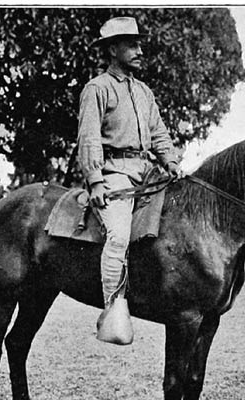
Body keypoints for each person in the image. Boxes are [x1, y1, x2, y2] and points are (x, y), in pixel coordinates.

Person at [77, 17, 182, 345]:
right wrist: (95, 181)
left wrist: (171, 161)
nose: (140, 51)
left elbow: (159, 133)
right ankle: (112, 310)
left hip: (148, 172)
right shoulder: (97, 88)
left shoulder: (143, 91)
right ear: (112, 49)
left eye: (139, 44)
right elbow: (89, 137)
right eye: (131, 45)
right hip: (116, 174)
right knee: (120, 236)